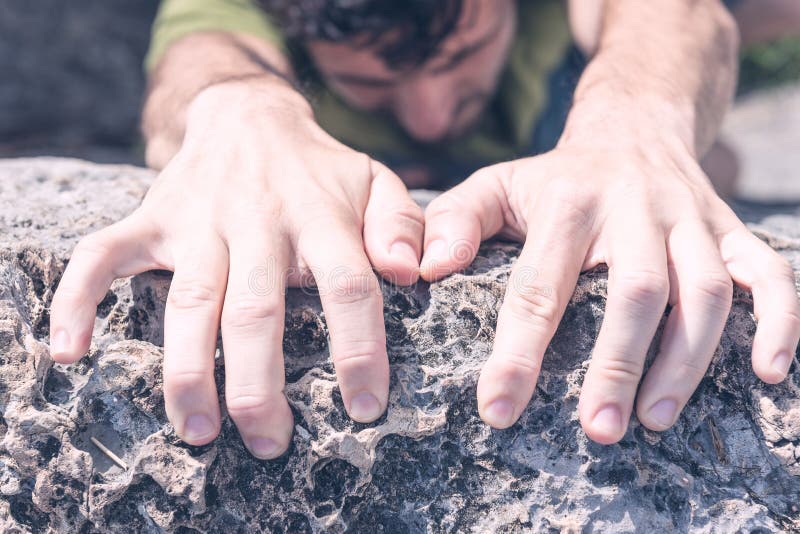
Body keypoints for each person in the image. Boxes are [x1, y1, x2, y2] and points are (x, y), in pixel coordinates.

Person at [49, 0, 800, 460]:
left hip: (565, 98)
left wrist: (639, 122)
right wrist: (237, 112)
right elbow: (198, 53)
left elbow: (671, 12)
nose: (433, 114)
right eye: (374, 82)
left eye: (462, 55)